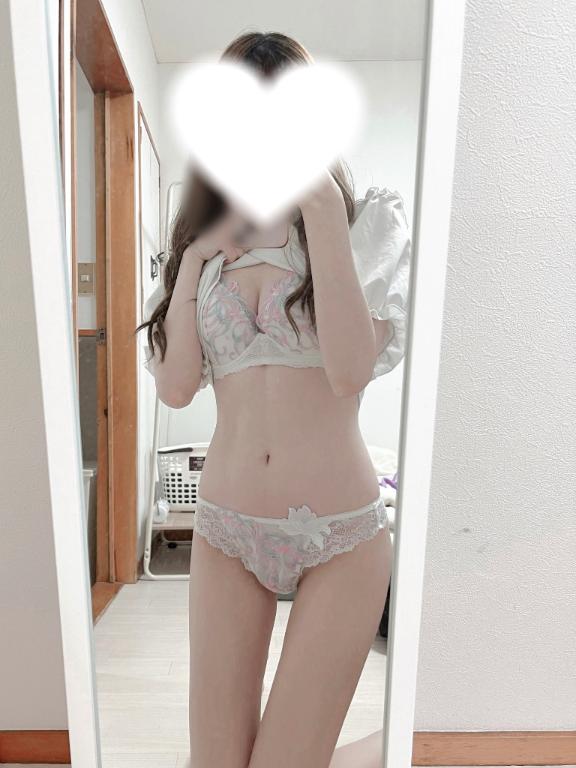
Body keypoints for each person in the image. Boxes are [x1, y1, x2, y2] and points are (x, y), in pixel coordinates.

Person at [141, 31, 410, 768]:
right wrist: (193, 263)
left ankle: (416, 739)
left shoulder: (363, 222)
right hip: (226, 530)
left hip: (342, 538)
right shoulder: (200, 242)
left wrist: (320, 208)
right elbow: (176, 387)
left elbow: (349, 371)